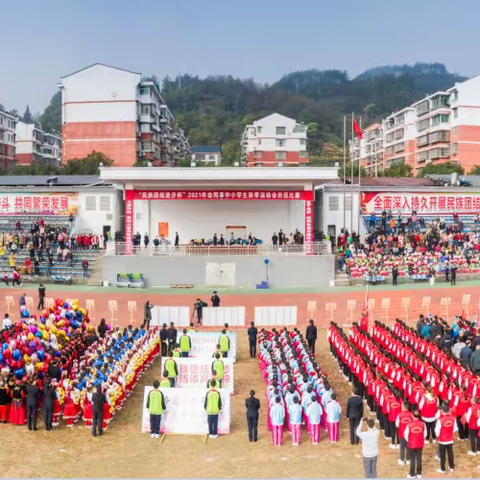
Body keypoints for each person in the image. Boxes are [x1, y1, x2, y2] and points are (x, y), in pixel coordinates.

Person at [404, 411, 427, 479]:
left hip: (411, 444)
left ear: (412, 416)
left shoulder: (409, 425)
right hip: (420, 444)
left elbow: (406, 435)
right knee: (419, 457)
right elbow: (425, 434)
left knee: (412, 459)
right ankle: (419, 473)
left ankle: (412, 474)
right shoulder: (423, 424)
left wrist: (410, 440)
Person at [435, 404, 457, 474]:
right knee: (450, 453)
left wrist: (438, 436)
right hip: (450, 439)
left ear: (442, 411)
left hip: (442, 440)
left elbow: (437, 431)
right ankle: (451, 467)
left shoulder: (440, 420)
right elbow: (455, 429)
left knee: (442, 454)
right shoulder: (453, 418)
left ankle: (442, 469)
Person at [396, 400, 414, 466]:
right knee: (409, 446)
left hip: (401, 433)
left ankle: (402, 459)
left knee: (402, 447)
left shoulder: (399, 415)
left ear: (403, 407)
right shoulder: (411, 415)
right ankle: (408, 459)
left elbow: (397, 424)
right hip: (410, 434)